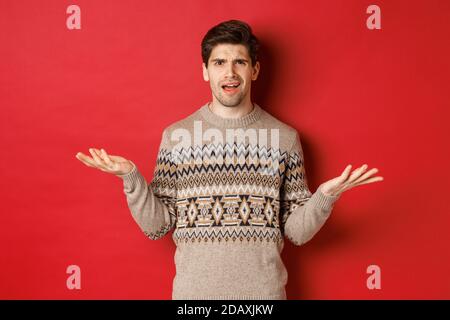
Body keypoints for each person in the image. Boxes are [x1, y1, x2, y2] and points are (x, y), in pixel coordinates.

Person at [75, 19, 383, 300]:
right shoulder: (177, 136)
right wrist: (131, 177)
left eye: (240, 62)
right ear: (205, 71)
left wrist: (325, 196)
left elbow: (297, 232)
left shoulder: (284, 138)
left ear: (255, 70)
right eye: (219, 62)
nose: (230, 72)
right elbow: (157, 226)